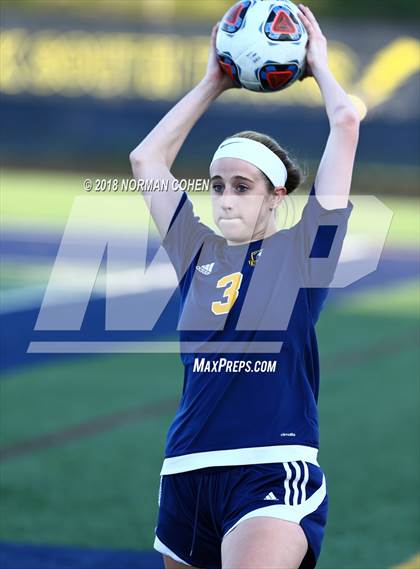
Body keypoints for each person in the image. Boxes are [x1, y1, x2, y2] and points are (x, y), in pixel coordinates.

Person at [129, 4, 360, 569]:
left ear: (276, 196)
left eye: (243, 185)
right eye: (217, 185)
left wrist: (319, 66)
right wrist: (213, 82)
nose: (226, 196)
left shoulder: (305, 254)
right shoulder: (197, 251)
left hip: (270, 471)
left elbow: (347, 122)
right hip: (186, 471)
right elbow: (146, 158)